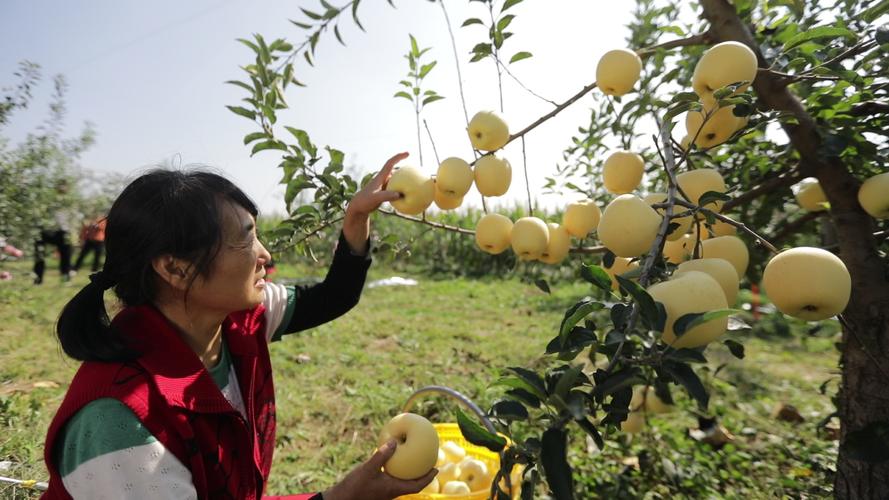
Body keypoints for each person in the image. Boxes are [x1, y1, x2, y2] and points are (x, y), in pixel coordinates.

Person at [41, 152, 437, 500]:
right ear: (175, 268)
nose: (265, 254)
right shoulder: (120, 425)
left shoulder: (237, 322)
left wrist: (355, 218)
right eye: (246, 239)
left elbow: (334, 297)